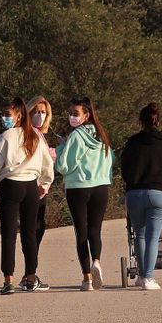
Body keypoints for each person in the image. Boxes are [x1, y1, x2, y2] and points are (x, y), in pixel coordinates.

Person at [0, 100, 54, 294]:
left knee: (9, 233)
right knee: (29, 232)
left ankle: (8, 279)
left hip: (11, 184)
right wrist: (44, 183)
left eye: (8, 115)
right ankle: (31, 276)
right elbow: (47, 163)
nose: (5, 118)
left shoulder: (5, 137)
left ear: (19, 116)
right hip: (31, 185)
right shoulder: (34, 136)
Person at [119, 102, 162, 291]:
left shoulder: (132, 142)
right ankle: (148, 277)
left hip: (134, 194)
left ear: (141, 121)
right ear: (158, 120)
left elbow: (124, 169)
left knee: (138, 234)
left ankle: (141, 276)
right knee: (152, 237)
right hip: (157, 194)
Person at [56, 97, 114, 291]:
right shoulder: (102, 135)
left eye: (75, 113)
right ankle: (96, 261)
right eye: (70, 113)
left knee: (81, 232)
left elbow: (64, 165)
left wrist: (61, 148)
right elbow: (111, 160)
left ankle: (87, 278)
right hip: (100, 187)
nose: (71, 117)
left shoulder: (76, 136)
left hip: (78, 187)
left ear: (86, 115)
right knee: (95, 230)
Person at [27, 97, 57, 249]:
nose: (40, 115)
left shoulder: (39, 134)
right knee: (35, 227)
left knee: (39, 224)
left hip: (42, 188)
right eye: (36, 111)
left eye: (43, 112)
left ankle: (32, 263)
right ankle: (31, 265)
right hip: (36, 185)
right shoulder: (30, 133)